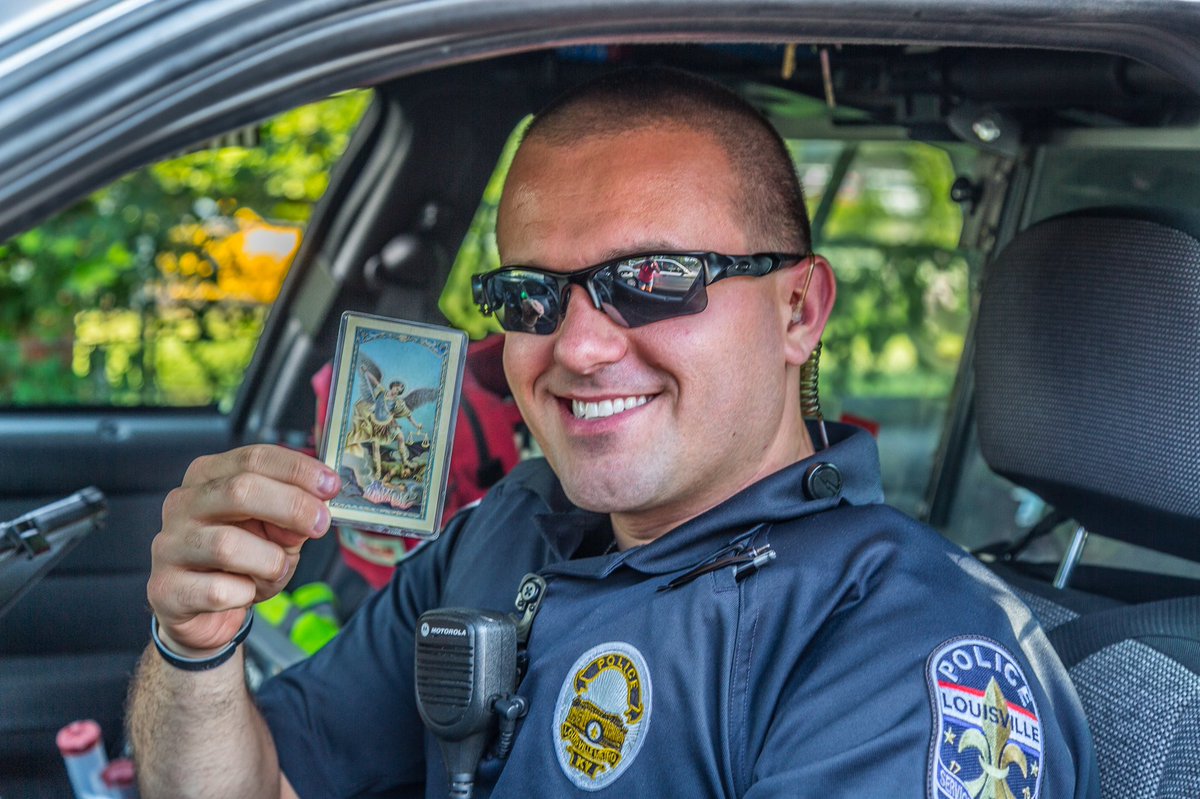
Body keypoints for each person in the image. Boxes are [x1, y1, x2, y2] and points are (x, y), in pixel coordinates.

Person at [127, 68, 1098, 799]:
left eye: (656, 279)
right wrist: (196, 647)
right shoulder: (507, 529)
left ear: (800, 309)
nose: (580, 346)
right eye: (530, 294)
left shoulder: (904, 643)